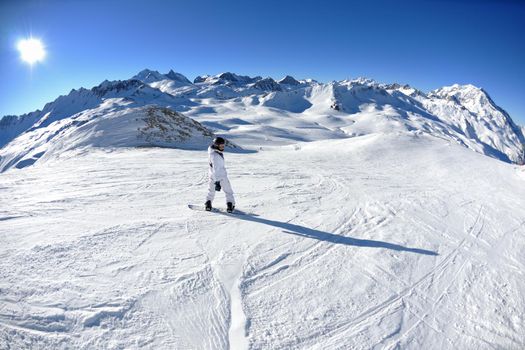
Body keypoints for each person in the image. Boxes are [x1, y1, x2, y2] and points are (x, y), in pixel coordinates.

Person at [205, 137, 235, 213]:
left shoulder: (212, 151)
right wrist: (217, 181)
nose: (222, 147)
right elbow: (216, 169)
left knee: (211, 191)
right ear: (216, 145)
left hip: (212, 175)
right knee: (228, 191)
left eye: (223, 145)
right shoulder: (216, 156)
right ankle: (230, 204)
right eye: (221, 146)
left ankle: (208, 203)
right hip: (220, 176)